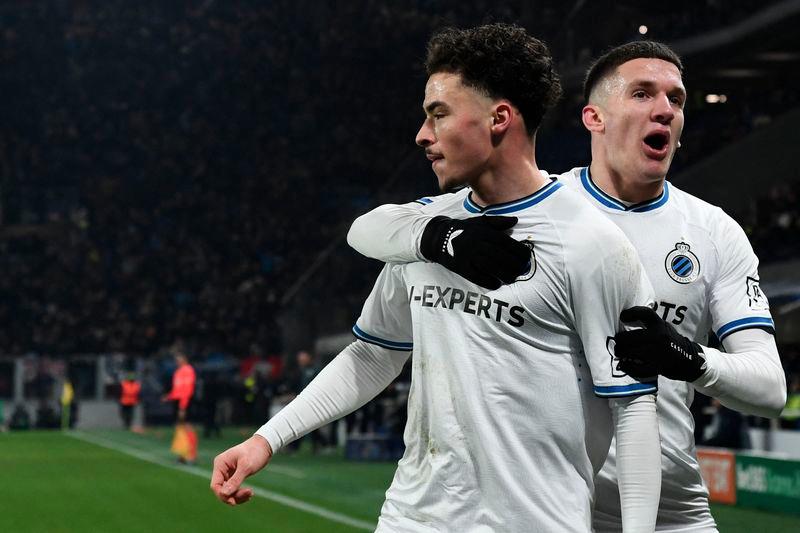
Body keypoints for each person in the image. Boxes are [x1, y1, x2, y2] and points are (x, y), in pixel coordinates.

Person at [211, 24, 662, 532]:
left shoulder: (592, 246)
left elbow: (633, 411)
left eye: (438, 114)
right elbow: (372, 355)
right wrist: (265, 439)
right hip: (413, 516)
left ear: (498, 118)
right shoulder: (426, 232)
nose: (422, 135)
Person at [346, 41, 788, 532]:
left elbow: (769, 387)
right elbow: (378, 229)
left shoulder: (714, 232)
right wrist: (433, 237)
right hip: (553, 510)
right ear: (593, 118)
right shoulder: (538, 214)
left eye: (676, 100)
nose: (664, 110)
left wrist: (692, 359)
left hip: (672, 511)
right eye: (642, 94)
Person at [162, 350, 198, 464]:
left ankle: (191, 456)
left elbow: (187, 390)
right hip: (178, 402)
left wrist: (182, 407)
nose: (177, 361)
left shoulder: (188, 370)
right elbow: (177, 390)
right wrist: (168, 397)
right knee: (180, 429)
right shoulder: (178, 372)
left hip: (184, 403)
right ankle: (182, 455)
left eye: (179, 358)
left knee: (187, 428)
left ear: (185, 359)